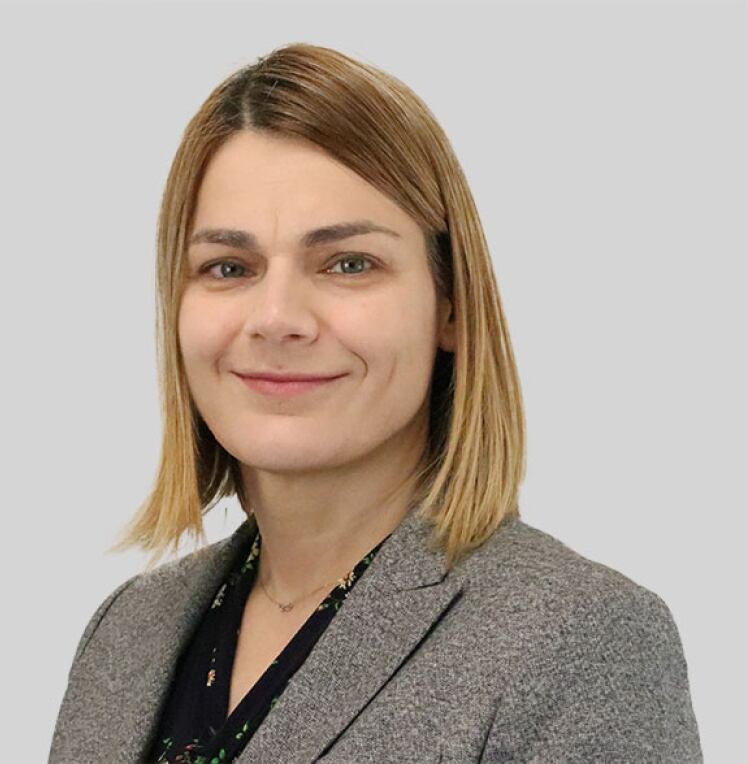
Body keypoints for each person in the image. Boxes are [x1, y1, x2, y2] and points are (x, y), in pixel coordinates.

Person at [48, 43, 703, 763]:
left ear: (450, 304)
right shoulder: (127, 631)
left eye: (348, 263)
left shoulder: (578, 638)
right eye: (227, 267)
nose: (275, 317)